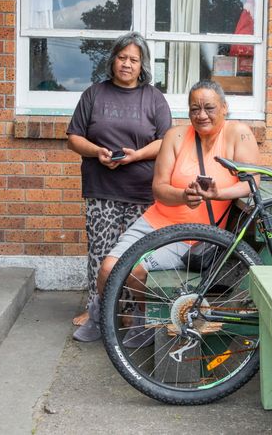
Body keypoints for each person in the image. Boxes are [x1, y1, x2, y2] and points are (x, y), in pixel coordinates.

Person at [91, 80, 259, 346]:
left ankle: (142, 322)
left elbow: (251, 184)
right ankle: (108, 316)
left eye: (209, 108)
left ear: (225, 108)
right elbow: (159, 188)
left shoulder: (238, 133)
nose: (201, 115)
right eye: (194, 109)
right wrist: (182, 195)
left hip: (192, 236)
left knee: (136, 270)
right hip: (156, 220)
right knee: (108, 268)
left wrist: (216, 194)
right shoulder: (176, 136)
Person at [66, 32, 171, 342]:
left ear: (143, 66)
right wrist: (97, 151)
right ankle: (97, 309)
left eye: (134, 60)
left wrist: (137, 155)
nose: (127, 64)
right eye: (122, 57)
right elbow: (73, 137)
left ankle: (128, 311)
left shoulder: (153, 97)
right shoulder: (94, 94)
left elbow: (167, 140)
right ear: (112, 60)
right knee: (100, 251)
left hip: (141, 191)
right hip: (102, 188)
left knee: (134, 255)